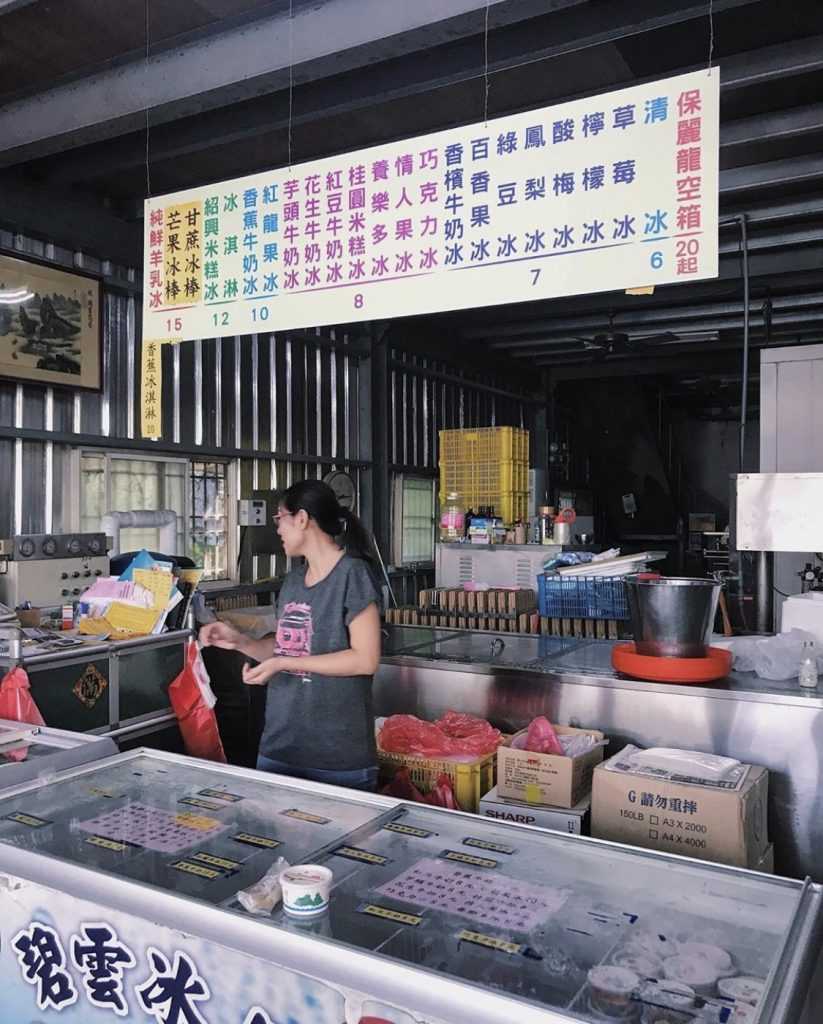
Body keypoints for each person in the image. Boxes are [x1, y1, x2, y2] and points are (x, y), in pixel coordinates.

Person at [200, 480, 382, 791]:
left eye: (279, 518)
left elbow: (364, 659)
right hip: (280, 749)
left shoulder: (353, 574)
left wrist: (283, 664)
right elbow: (285, 647)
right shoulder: (294, 581)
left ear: (301, 518)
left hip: (337, 756)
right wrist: (240, 642)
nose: (278, 529)